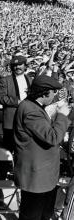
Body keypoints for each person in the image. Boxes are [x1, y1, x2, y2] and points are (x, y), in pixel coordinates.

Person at [13, 75, 73, 220]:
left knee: (45, 214)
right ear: (44, 92)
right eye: (53, 92)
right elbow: (52, 137)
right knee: (33, 215)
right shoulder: (31, 110)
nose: (54, 95)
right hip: (36, 177)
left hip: (43, 176)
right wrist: (62, 116)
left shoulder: (33, 106)